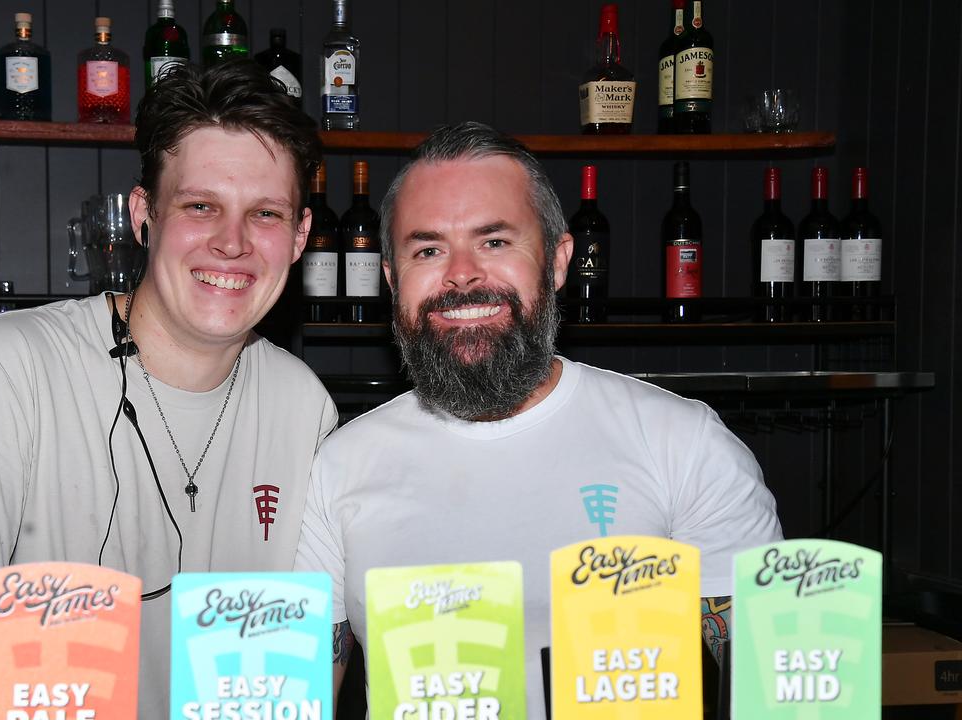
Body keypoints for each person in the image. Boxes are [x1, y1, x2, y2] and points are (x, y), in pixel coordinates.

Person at [0, 61, 338, 719]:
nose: (231, 243)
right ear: (143, 214)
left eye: (264, 213)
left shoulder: (303, 407)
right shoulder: (10, 369)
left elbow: (312, 649)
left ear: (298, 236)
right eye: (200, 206)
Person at [294, 121, 782, 716]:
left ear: (557, 261)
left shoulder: (684, 444)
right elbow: (302, 691)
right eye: (428, 249)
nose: (462, 274)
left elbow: (766, 690)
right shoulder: (338, 465)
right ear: (392, 280)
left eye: (495, 242)